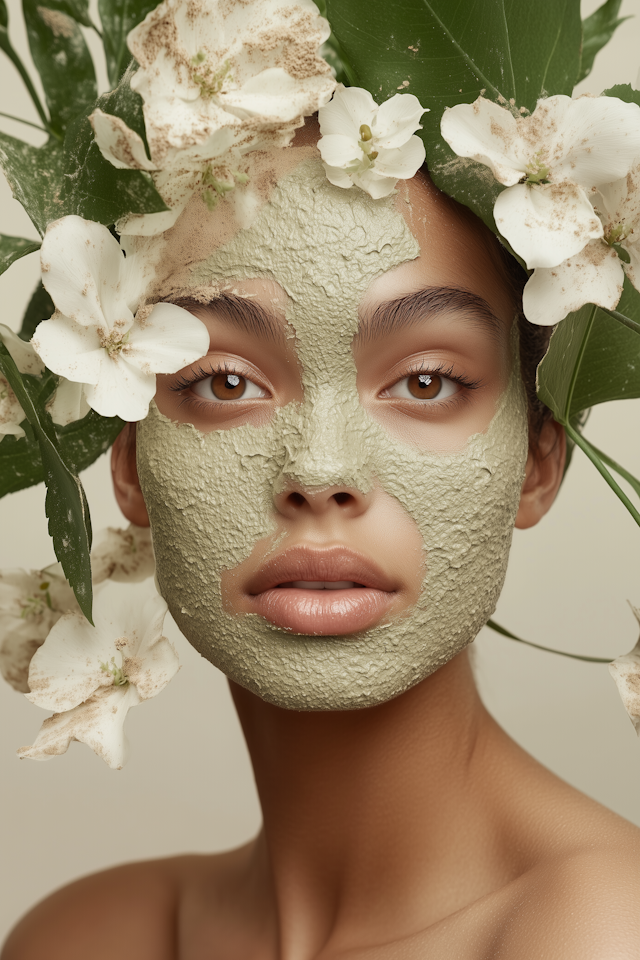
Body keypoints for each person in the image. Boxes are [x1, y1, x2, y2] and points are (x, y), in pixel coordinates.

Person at [3, 112, 640, 960]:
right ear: (129, 462)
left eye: (425, 380)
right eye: (226, 382)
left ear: (536, 458)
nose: (320, 470)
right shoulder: (81, 941)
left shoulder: (600, 932)